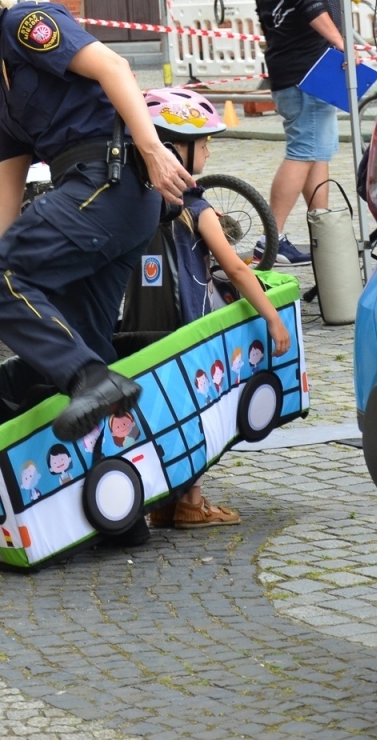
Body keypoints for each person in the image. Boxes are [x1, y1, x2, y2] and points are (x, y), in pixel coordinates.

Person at [0, 0, 192, 443]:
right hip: (103, 199)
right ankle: (122, 507)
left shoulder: (23, 24)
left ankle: (93, 381)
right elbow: (3, 199)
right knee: (82, 343)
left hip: (108, 185)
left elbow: (114, 67)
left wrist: (153, 150)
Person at [139, 88, 292, 530]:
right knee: (197, 407)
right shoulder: (196, 207)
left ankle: (164, 502)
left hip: (142, 327)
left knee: (164, 409)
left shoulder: (138, 201)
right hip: (190, 323)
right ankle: (192, 502)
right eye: (203, 143)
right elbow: (239, 272)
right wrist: (273, 317)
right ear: (176, 151)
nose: (207, 150)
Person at [244, 0, 347, 265]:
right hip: (311, 62)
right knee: (304, 148)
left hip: (287, 62)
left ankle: (321, 231)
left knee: (317, 149)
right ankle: (272, 237)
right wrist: (339, 41)